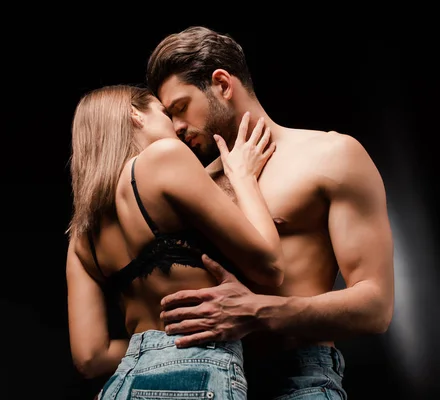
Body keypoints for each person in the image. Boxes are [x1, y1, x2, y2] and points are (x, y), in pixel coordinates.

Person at [146, 26, 394, 399]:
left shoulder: (331, 156)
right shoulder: (194, 185)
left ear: (222, 84)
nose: (177, 127)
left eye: (180, 107)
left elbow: (376, 306)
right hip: (208, 379)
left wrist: (257, 312)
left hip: (300, 379)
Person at [66, 83, 285, 400]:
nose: (178, 128)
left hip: (121, 384)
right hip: (194, 373)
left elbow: (90, 357)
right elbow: (271, 267)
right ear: (136, 115)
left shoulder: (81, 231)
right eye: (166, 112)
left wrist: (152, 345)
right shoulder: (163, 158)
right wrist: (244, 178)